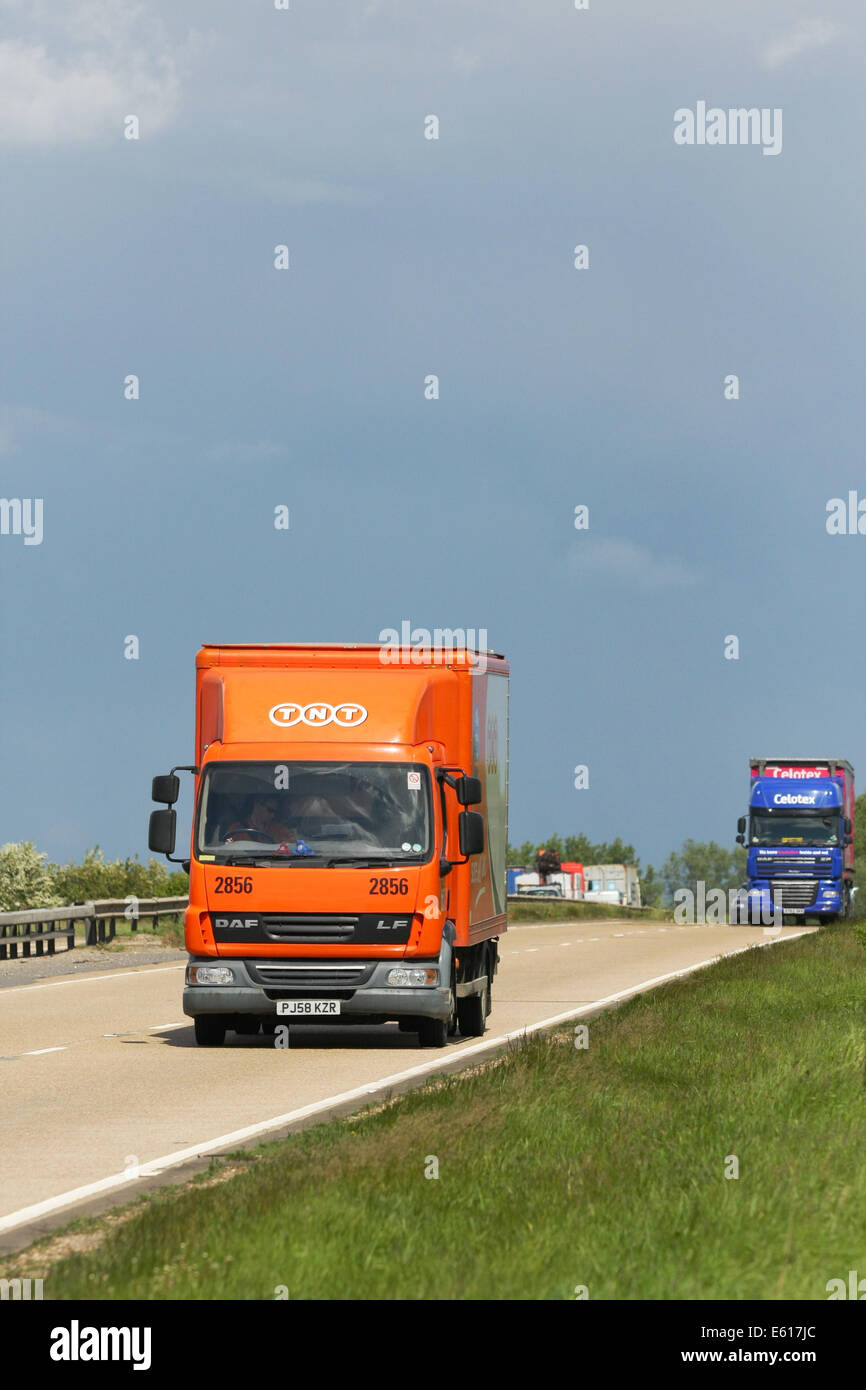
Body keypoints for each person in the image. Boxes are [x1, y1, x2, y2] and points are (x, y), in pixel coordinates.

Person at [223, 795, 296, 844]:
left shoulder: (278, 829)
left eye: (275, 812)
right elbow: (227, 848)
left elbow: (292, 843)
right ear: (257, 805)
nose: (273, 815)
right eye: (270, 810)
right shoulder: (236, 829)